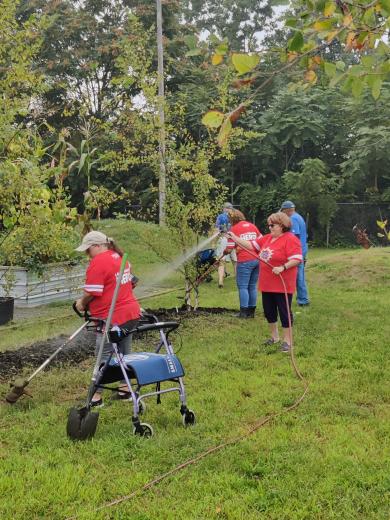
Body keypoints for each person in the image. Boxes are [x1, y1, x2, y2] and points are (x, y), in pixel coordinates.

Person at [75, 230, 141, 406]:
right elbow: (131, 281)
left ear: (97, 246)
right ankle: (125, 390)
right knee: (125, 353)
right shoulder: (119, 257)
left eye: (88, 250)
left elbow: (92, 292)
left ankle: (96, 397)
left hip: (111, 317)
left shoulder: (99, 262)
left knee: (102, 355)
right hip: (131, 314)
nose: (88, 255)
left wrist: (81, 303)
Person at [228, 212, 302, 352]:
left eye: (272, 225)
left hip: (282, 285)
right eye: (269, 225)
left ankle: (288, 341)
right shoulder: (267, 239)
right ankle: (274, 338)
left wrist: (283, 267)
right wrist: (234, 237)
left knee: (284, 312)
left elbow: (297, 258)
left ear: (282, 225)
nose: (269, 227)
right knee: (269, 312)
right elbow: (250, 245)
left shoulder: (290, 239)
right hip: (267, 284)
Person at [226, 209, 261, 318]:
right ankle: (251, 312)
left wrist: (225, 252)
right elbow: (261, 240)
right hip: (257, 260)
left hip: (245, 261)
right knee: (252, 286)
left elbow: (229, 248)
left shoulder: (234, 229)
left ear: (231, 219)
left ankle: (243, 313)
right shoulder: (252, 226)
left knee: (243, 286)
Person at [280, 201, 310, 306]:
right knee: (299, 275)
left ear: (286, 210)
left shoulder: (292, 219)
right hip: (302, 249)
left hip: (297, 251)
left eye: (283, 212)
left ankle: (303, 300)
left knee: (298, 276)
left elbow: (294, 236)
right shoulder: (298, 216)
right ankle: (302, 298)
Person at [214, 202, 237, 288]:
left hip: (223, 239)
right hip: (233, 239)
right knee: (235, 261)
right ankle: (237, 279)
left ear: (224, 208)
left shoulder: (220, 217)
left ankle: (220, 281)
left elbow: (217, 229)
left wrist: (215, 241)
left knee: (221, 261)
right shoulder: (235, 217)